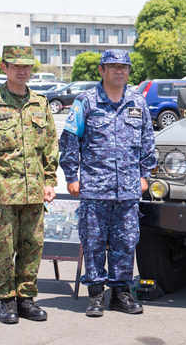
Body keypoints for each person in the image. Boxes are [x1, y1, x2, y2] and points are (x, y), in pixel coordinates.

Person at [59, 49, 156, 317]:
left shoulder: (138, 102)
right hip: (94, 187)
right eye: (112, 67)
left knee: (126, 242)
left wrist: (145, 175)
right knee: (93, 242)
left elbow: (148, 141)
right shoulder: (86, 101)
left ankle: (121, 293)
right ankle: (95, 295)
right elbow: (69, 140)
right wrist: (71, 176)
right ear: (101, 70)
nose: (118, 71)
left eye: (123, 67)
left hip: (128, 188)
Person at [0, 45, 58, 324]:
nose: (23, 71)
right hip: (4, 191)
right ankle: (7, 300)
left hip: (34, 191)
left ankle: (26, 299)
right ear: (3, 67)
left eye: (27, 66)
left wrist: (50, 179)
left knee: (33, 245)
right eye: (16, 66)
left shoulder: (41, 102)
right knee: (5, 248)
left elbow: (50, 146)